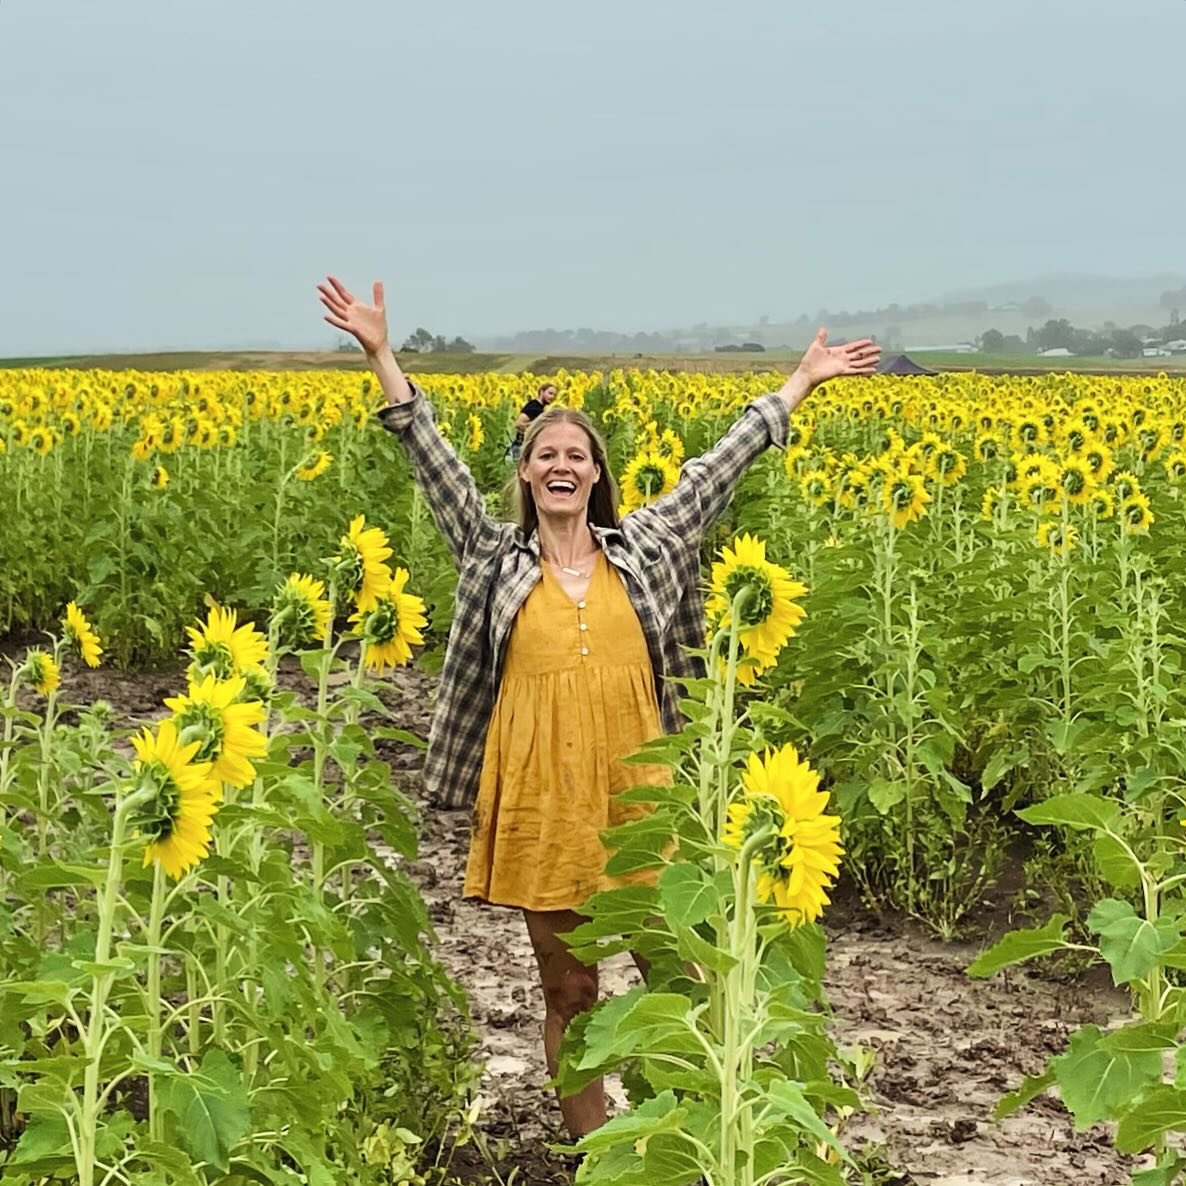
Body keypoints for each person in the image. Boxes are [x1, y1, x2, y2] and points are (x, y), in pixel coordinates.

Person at [317, 274, 879, 1139]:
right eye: (546, 454)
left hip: (641, 798)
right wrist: (382, 353)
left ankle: (680, 1136)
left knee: (676, 974)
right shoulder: (492, 556)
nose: (561, 464)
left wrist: (798, 383)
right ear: (527, 475)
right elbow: (428, 456)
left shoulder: (645, 547)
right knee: (569, 987)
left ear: (598, 474)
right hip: (544, 797)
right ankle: (597, 1152)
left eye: (577, 454)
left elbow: (718, 466)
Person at [507, 381, 559, 460]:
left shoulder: (541, 408)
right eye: (550, 393)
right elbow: (518, 423)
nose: (552, 397)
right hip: (521, 447)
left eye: (554, 395)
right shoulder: (534, 406)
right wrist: (537, 425)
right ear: (541, 391)